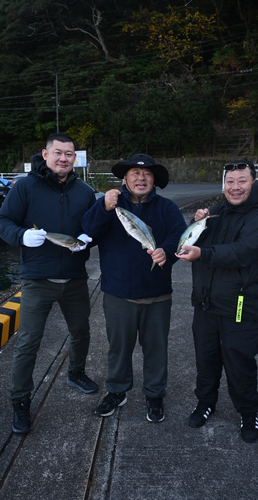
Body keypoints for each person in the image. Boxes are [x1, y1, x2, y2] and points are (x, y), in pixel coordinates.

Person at [0, 132, 99, 434]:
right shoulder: (24, 187)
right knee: (28, 342)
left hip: (75, 278)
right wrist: (21, 237)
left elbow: (94, 226)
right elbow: (4, 222)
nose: (63, 158)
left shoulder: (85, 191)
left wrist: (88, 238)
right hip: (37, 279)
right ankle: (20, 401)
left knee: (81, 331)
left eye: (69, 154)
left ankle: (76, 372)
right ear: (45, 155)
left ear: (75, 158)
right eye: (58, 152)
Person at [176, 159, 258, 443]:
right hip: (206, 304)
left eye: (241, 181)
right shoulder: (217, 212)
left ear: (253, 183)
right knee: (206, 360)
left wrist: (202, 254)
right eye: (230, 182)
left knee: (239, 362)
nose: (235, 187)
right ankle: (205, 403)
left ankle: (248, 413)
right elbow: (193, 240)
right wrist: (197, 221)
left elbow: (241, 252)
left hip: (240, 307)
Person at [82, 153, 186, 422]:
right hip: (118, 293)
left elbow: (180, 236)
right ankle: (117, 391)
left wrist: (167, 252)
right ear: (124, 179)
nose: (142, 178)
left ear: (154, 180)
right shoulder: (110, 205)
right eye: (135, 174)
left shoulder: (167, 208)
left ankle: (154, 394)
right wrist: (104, 207)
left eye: (147, 174)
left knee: (156, 348)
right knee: (119, 347)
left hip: (158, 294)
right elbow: (88, 233)